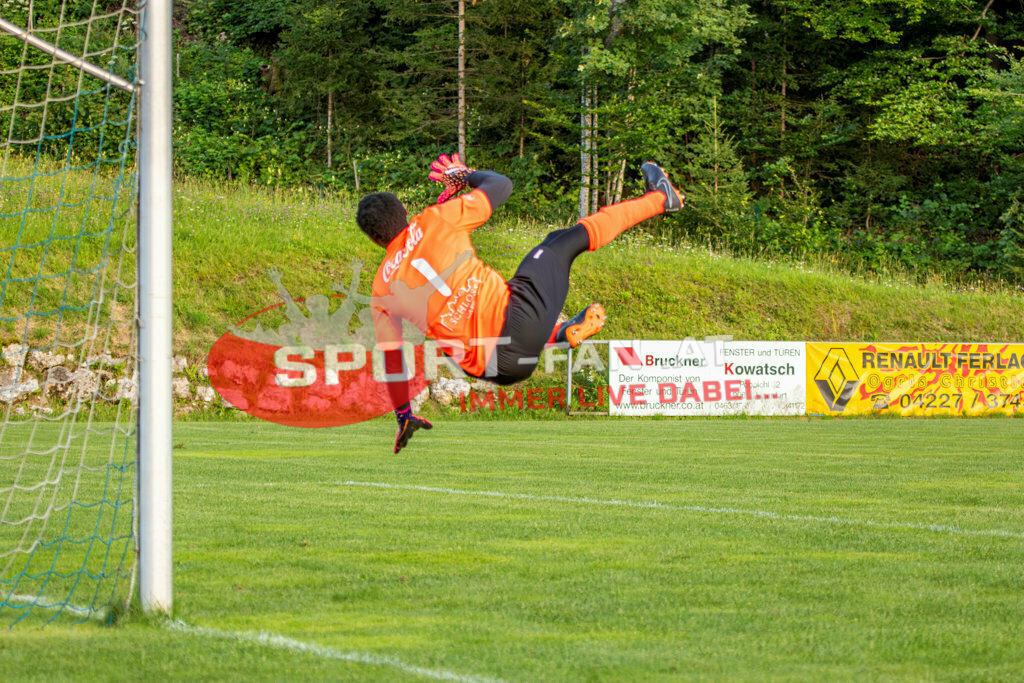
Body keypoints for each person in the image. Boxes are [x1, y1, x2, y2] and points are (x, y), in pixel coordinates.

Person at [356, 154, 683, 453]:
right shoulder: (433, 219)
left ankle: (558, 334)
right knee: (559, 243)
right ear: (404, 212)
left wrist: (403, 415)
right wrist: (465, 176)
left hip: (493, 369)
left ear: (375, 239)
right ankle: (660, 198)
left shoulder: (381, 288)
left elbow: (393, 361)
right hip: (519, 320)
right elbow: (501, 185)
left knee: (455, 333)